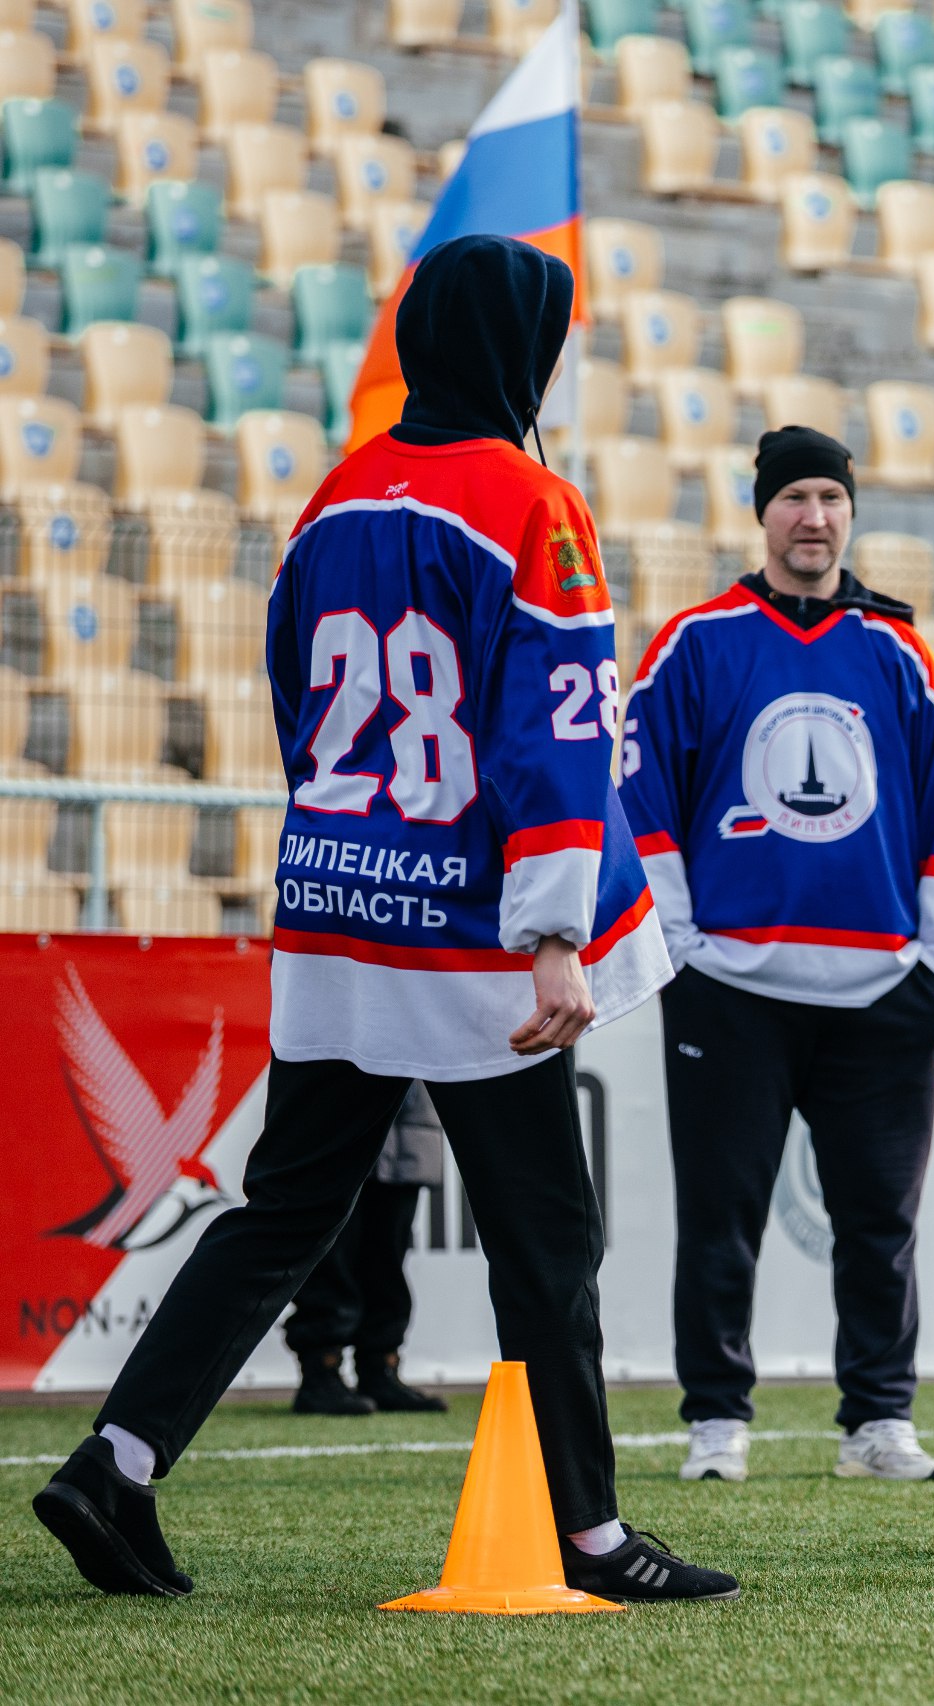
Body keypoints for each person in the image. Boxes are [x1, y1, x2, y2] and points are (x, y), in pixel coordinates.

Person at [29, 235, 737, 1604]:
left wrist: (351, 848)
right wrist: (553, 936)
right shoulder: (536, 503)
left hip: (338, 908)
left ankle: (115, 1459)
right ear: (515, 348)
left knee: (281, 1208)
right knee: (549, 1242)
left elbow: (295, 704)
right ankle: (589, 1535)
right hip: (472, 937)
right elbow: (557, 737)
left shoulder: (332, 498)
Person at [618, 426, 934, 1485]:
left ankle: (878, 1419)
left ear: (850, 512)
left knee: (879, 1218)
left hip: (880, 988)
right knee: (719, 1215)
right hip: (731, 986)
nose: (813, 517)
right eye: (794, 498)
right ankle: (717, 1418)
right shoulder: (695, 641)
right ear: (761, 511)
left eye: (830, 497)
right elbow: (643, 805)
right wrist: (680, 947)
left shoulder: (900, 651)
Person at [282, 1085, 450, 1416]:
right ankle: (321, 1371)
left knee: (388, 1254)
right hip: (339, 1103)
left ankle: (380, 1368)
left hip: (409, 1122)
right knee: (333, 1251)